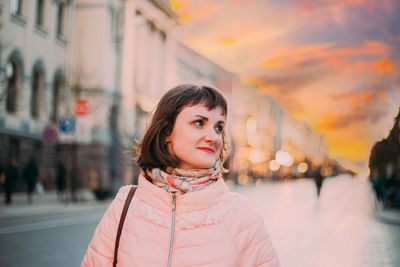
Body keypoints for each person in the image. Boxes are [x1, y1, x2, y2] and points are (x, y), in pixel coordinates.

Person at [82, 84, 280, 267]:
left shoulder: (239, 215)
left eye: (218, 127)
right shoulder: (126, 205)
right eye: (199, 122)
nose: (213, 137)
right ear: (167, 131)